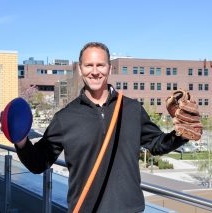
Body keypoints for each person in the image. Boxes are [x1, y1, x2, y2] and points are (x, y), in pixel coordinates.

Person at [11, 42, 192, 212]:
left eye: (101, 65)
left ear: (109, 68)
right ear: (80, 69)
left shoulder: (132, 109)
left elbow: (157, 144)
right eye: (89, 65)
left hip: (130, 210)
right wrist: (20, 141)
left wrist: (182, 133)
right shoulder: (65, 118)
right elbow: (38, 163)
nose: (95, 71)